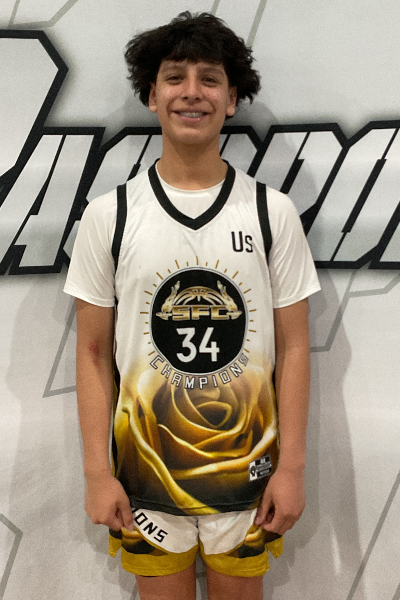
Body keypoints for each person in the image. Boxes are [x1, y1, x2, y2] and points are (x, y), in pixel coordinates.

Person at [64, 11, 320, 600]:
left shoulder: (272, 212)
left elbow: (295, 347)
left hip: (250, 480)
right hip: (144, 480)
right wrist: (97, 473)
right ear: (151, 94)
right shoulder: (109, 215)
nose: (191, 92)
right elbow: (93, 352)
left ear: (232, 98)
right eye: (175, 77)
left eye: (210, 79)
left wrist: (292, 468)